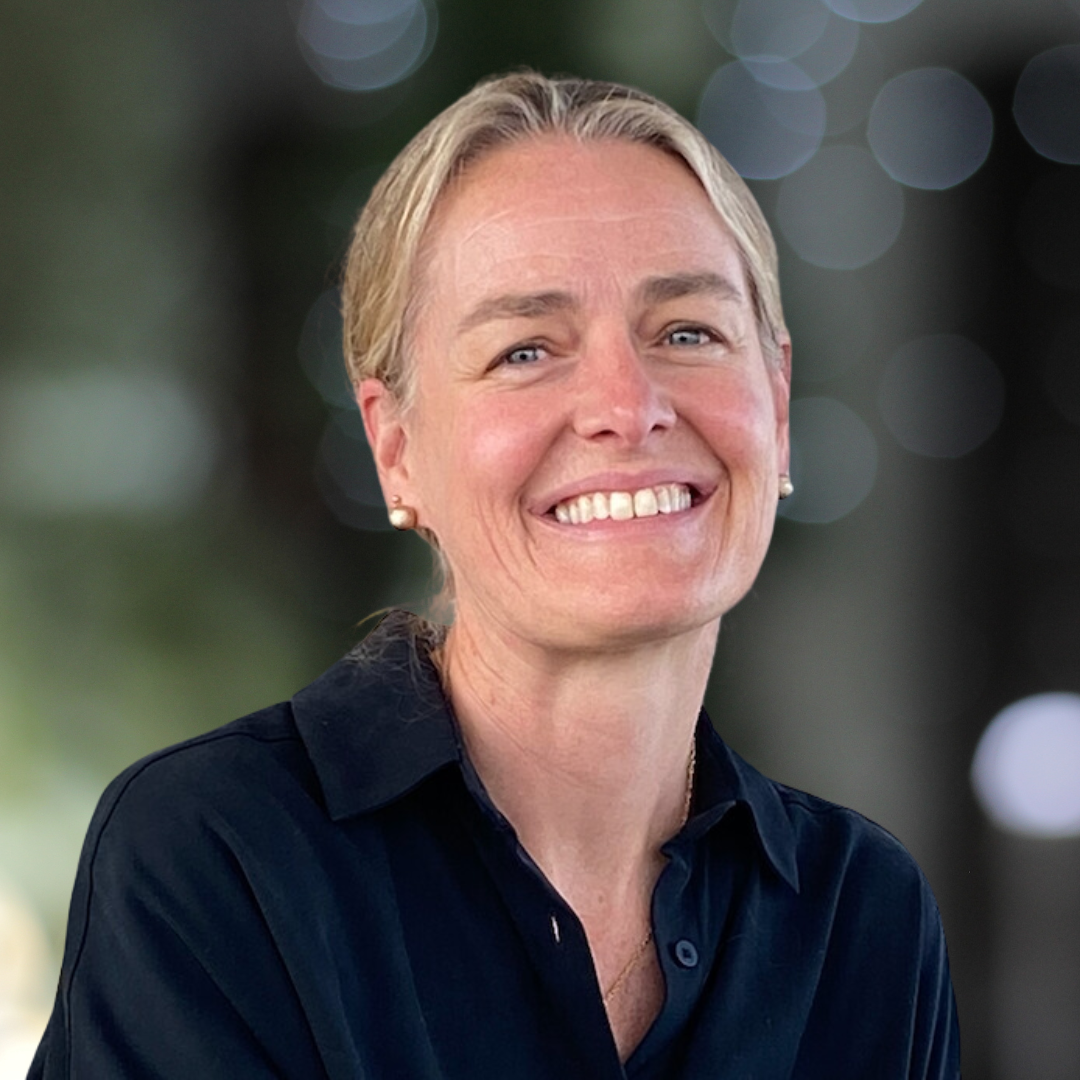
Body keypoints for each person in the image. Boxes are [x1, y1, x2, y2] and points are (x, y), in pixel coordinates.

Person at [30, 72, 960, 1078]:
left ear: (775, 405)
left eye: (687, 332)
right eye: (525, 351)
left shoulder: (863, 916)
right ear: (396, 449)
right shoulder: (220, 859)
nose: (627, 407)